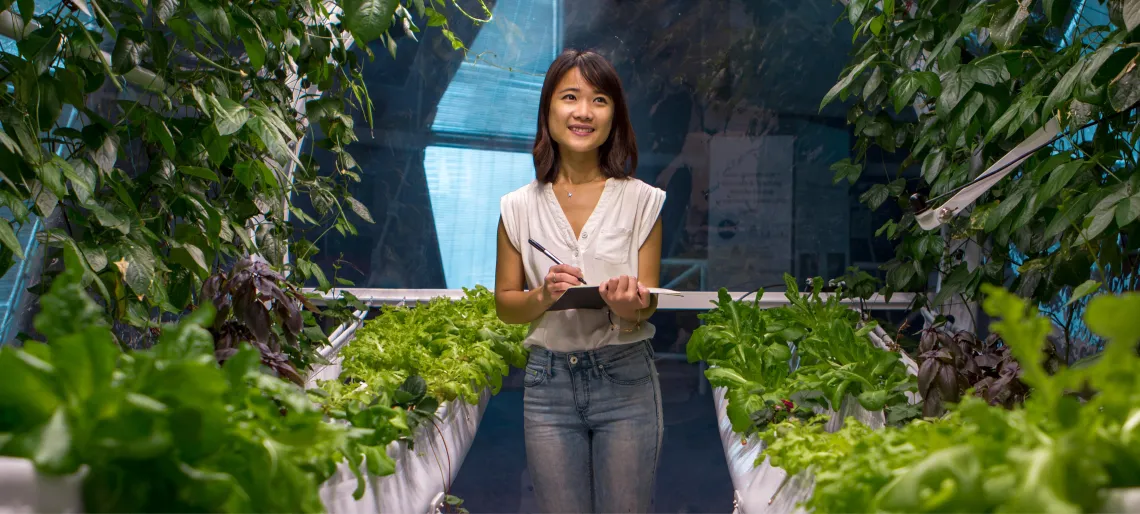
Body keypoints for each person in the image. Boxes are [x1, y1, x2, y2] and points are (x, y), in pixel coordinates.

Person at [495, 49, 666, 514]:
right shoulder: (517, 207)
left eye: (599, 100)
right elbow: (506, 305)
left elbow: (646, 303)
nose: (584, 112)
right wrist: (544, 294)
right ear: (549, 108)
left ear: (615, 115)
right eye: (570, 97)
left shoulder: (643, 201)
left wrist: (626, 304)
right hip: (547, 386)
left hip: (625, 377)